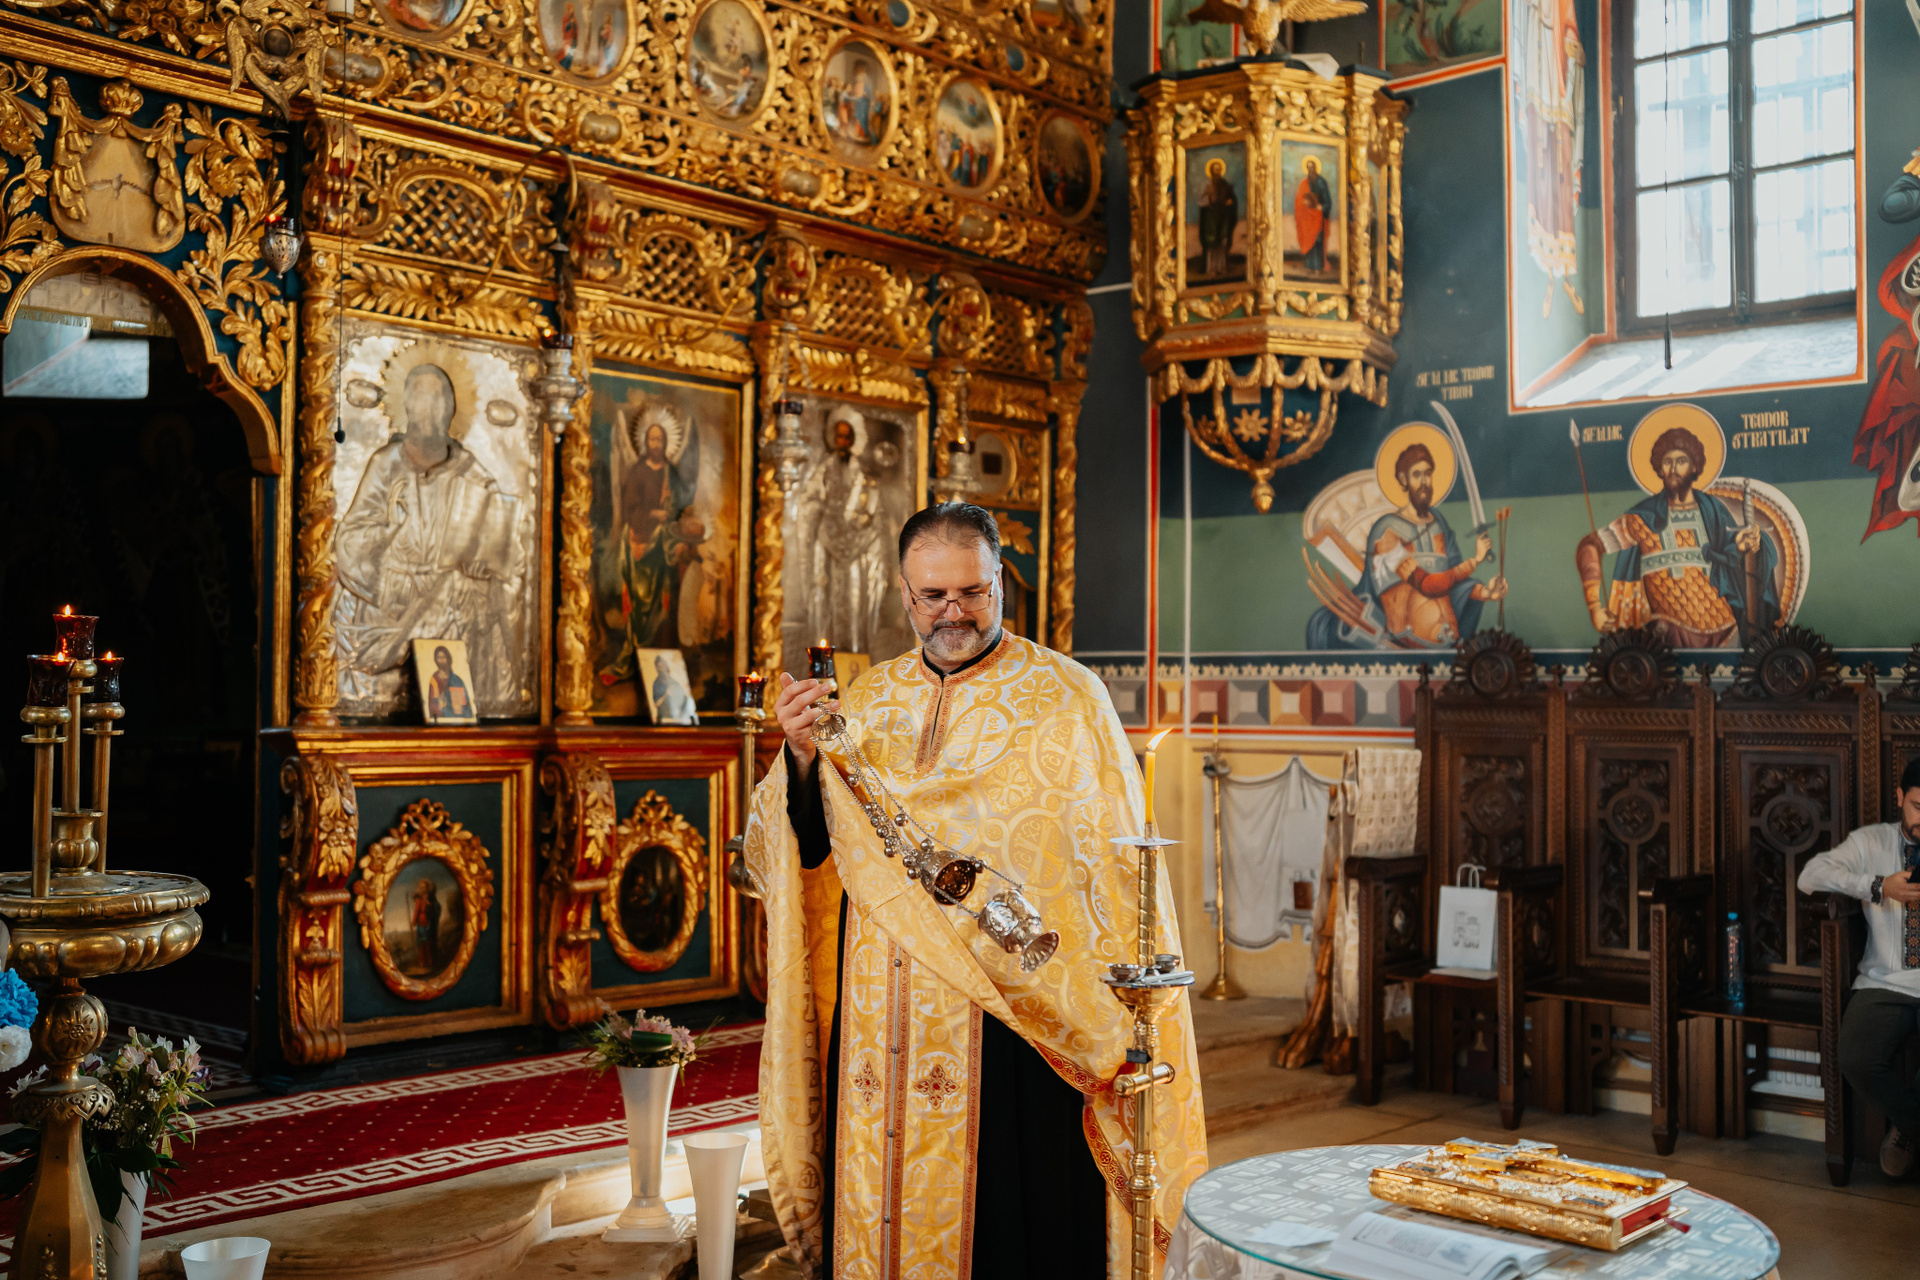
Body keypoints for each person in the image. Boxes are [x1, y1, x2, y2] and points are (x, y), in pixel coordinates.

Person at [744, 502, 1205, 1277]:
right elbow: (810, 848)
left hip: (1010, 1017)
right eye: (933, 596)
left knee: (1008, 1223)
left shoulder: (1067, 698)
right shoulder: (864, 702)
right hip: (877, 1014)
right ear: (904, 593)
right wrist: (797, 757)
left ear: (1000, 584)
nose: (953, 612)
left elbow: (1111, 876)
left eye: (973, 592)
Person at [1798, 757, 1920, 1178]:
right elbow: (1809, 875)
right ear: (1900, 797)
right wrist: (1877, 886)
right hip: (1884, 983)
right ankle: (1912, 1123)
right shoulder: (1871, 841)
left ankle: (1906, 1130)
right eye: (1918, 807)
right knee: (1854, 1056)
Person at [1575, 424, 1776, 648]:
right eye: (1667, 462)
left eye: (1681, 461)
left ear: (1694, 467)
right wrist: (1594, 607)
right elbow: (1590, 546)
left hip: (1725, 631)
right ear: (1659, 469)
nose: (1673, 468)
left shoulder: (1713, 511)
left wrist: (1744, 545)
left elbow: (1730, 556)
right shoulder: (1642, 519)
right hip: (1667, 636)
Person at [1351, 442, 1505, 647]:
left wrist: (1487, 593)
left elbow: (1454, 583)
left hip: (1447, 641)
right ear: (1404, 479)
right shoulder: (1387, 530)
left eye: (1428, 473)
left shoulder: (1438, 524)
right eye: (1416, 475)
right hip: (1406, 641)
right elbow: (1429, 585)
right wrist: (1475, 561)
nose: (1424, 482)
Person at [1197, 157, 1238, 280]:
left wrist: (1229, 201)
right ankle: (1211, 269)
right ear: (1211, 171)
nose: (1217, 171)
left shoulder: (1224, 184)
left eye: (1219, 169)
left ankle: (1222, 268)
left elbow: (1230, 198)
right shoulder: (1207, 184)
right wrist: (1209, 199)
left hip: (1223, 216)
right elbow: (1202, 200)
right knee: (1212, 244)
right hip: (1211, 218)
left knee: (1222, 242)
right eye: (1215, 169)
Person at [1295, 154, 1331, 273]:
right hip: (1308, 218)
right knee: (1309, 241)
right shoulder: (1304, 183)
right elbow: (1299, 199)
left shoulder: (1321, 182)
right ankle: (1310, 267)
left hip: (1318, 217)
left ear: (1315, 168)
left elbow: (1327, 201)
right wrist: (1303, 202)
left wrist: (1321, 207)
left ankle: (1318, 268)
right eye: (1308, 168)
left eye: (1312, 167)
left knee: (1318, 241)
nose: (1310, 170)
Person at [425, 644, 471, 720]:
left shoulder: (456, 680)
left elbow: (465, 705)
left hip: (458, 719)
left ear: (448, 659)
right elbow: (432, 704)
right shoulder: (434, 679)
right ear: (435, 660)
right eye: (439, 658)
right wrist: (439, 705)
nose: (441, 661)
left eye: (443, 657)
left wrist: (460, 708)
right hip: (441, 719)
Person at [410, 875, 441, 973]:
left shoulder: (425, 898)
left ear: (427, 888)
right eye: (421, 887)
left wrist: (414, 921)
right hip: (424, 921)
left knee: (425, 943)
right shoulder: (422, 898)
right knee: (424, 943)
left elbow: (417, 910)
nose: (423, 889)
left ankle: (426, 962)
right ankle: (425, 962)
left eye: (424, 887)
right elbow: (417, 910)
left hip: (425, 921)